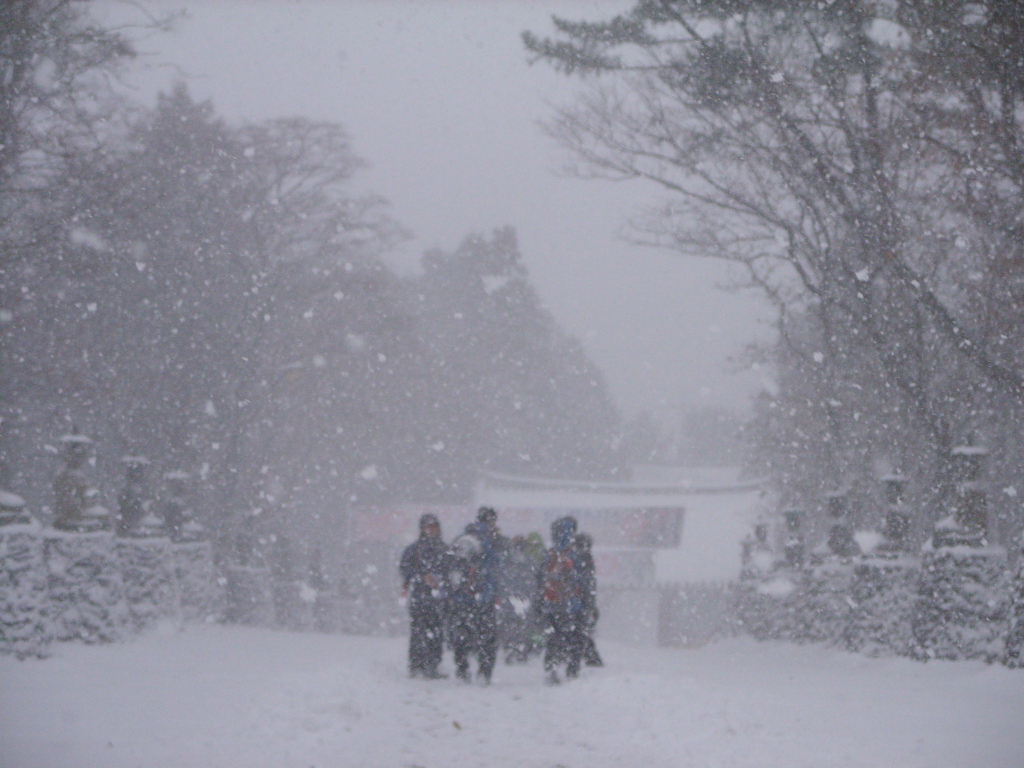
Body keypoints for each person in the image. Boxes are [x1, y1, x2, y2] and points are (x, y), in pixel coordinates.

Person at [453, 506, 506, 684]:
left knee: (462, 635)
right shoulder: (492, 540)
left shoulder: (462, 538)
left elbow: (451, 566)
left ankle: (462, 669)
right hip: (484, 595)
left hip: (463, 596)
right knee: (487, 637)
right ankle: (484, 671)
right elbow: (496, 568)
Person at [537, 515, 587, 684]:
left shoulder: (549, 555)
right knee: (576, 638)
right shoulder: (576, 555)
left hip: (551, 604)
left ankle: (551, 668)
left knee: (553, 639)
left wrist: (541, 602)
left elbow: (539, 580)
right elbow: (584, 582)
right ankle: (572, 671)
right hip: (572, 605)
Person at [399, 513, 449, 679]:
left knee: (436, 632)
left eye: (434, 526)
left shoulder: (444, 549)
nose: (431, 530)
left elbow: (451, 570)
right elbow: (405, 569)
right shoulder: (414, 549)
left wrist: (441, 581)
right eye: (428, 526)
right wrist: (422, 576)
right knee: (418, 631)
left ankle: (432, 665)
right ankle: (416, 664)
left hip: (438, 598)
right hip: (420, 597)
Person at [573, 532, 603, 667]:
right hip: (581, 601)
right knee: (583, 631)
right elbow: (588, 584)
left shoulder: (572, 556)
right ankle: (590, 657)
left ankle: (588, 656)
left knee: (578, 630)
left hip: (572, 600)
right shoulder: (586, 558)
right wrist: (591, 604)